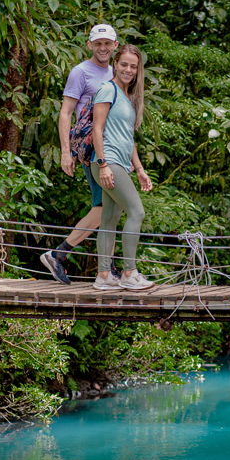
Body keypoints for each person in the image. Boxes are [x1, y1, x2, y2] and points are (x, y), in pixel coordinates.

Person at [39, 23, 121, 284]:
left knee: (109, 209)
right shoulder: (80, 72)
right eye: (98, 43)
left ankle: (108, 270)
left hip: (112, 148)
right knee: (103, 208)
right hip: (92, 149)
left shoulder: (118, 72)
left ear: (115, 46)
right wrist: (66, 152)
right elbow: (65, 112)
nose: (103, 48)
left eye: (108, 43)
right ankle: (59, 254)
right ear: (90, 45)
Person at [90, 45, 155, 291]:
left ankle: (104, 276)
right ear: (115, 64)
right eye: (124, 64)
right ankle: (129, 273)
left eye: (134, 66)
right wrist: (103, 163)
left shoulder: (127, 96)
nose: (128, 69)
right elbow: (98, 128)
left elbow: (128, 138)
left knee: (109, 219)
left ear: (138, 70)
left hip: (120, 163)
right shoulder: (108, 89)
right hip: (108, 162)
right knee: (137, 212)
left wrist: (139, 169)